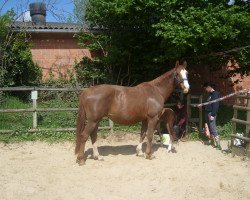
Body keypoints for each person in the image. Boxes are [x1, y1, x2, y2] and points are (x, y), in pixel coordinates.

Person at [202, 81, 221, 150]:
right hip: (207, 112)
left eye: (206, 88)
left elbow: (215, 105)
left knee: (213, 128)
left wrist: (213, 114)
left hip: (211, 113)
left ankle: (218, 144)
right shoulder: (210, 94)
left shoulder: (215, 94)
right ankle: (213, 142)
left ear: (209, 87)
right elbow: (209, 104)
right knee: (210, 128)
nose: (205, 90)